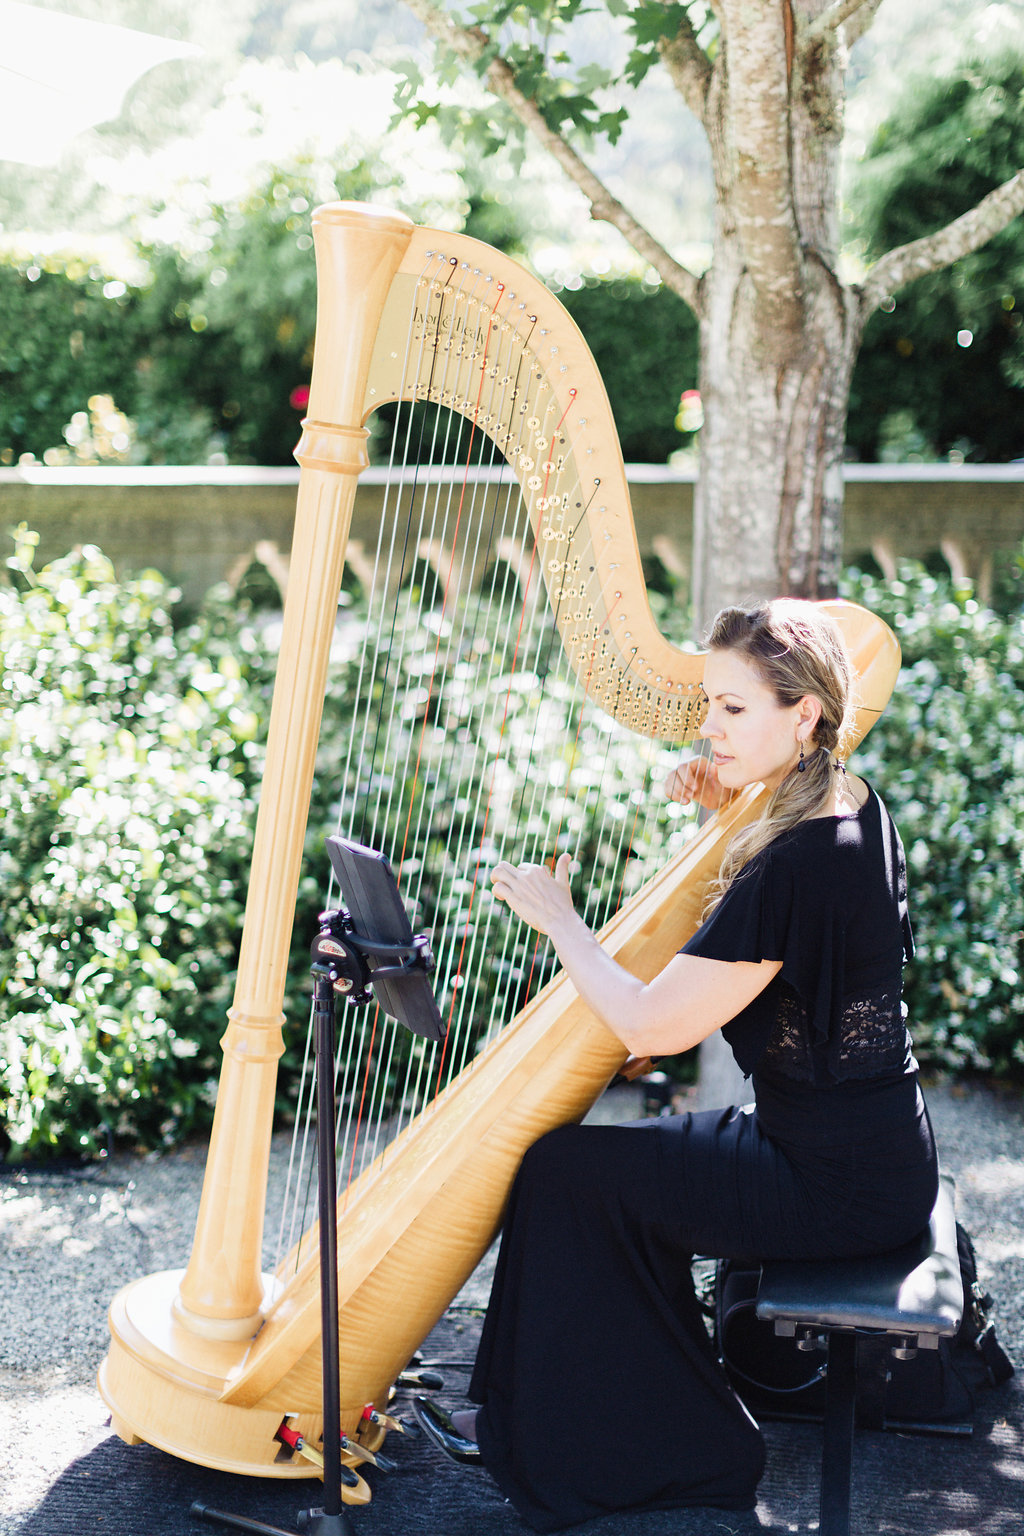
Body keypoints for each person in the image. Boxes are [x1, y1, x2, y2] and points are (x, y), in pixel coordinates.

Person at [412, 599, 939, 1532]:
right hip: (859, 1149)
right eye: (711, 705)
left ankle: (653, 1444)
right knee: (592, 1173)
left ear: (803, 715)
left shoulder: (797, 865)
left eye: (734, 710)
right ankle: (537, 1413)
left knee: (565, 1173)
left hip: (832, 1183)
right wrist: (723, 798)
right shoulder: (845, 801)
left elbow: (651, 1028)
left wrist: (561, 920)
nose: (710, 725)